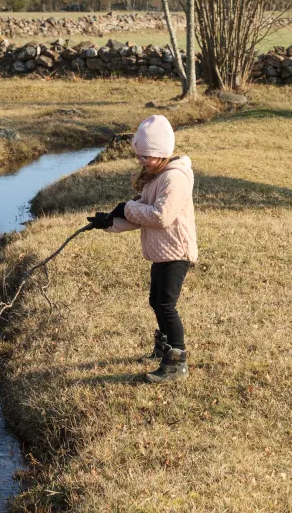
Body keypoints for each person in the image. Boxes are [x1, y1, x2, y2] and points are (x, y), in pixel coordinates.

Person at [87, 114, 198, 383]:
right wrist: (109, 222)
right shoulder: (155, 177)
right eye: (139, 156)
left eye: (146, 156)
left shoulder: (175, 179)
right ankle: (163, 350)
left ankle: (176, 362)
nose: (141, 161)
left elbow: (160, 217)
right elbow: (141, 216)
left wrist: (127, 207)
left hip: (176, 252)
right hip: (161, 252)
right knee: (155, 302)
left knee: (166, 305)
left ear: (161, 152)